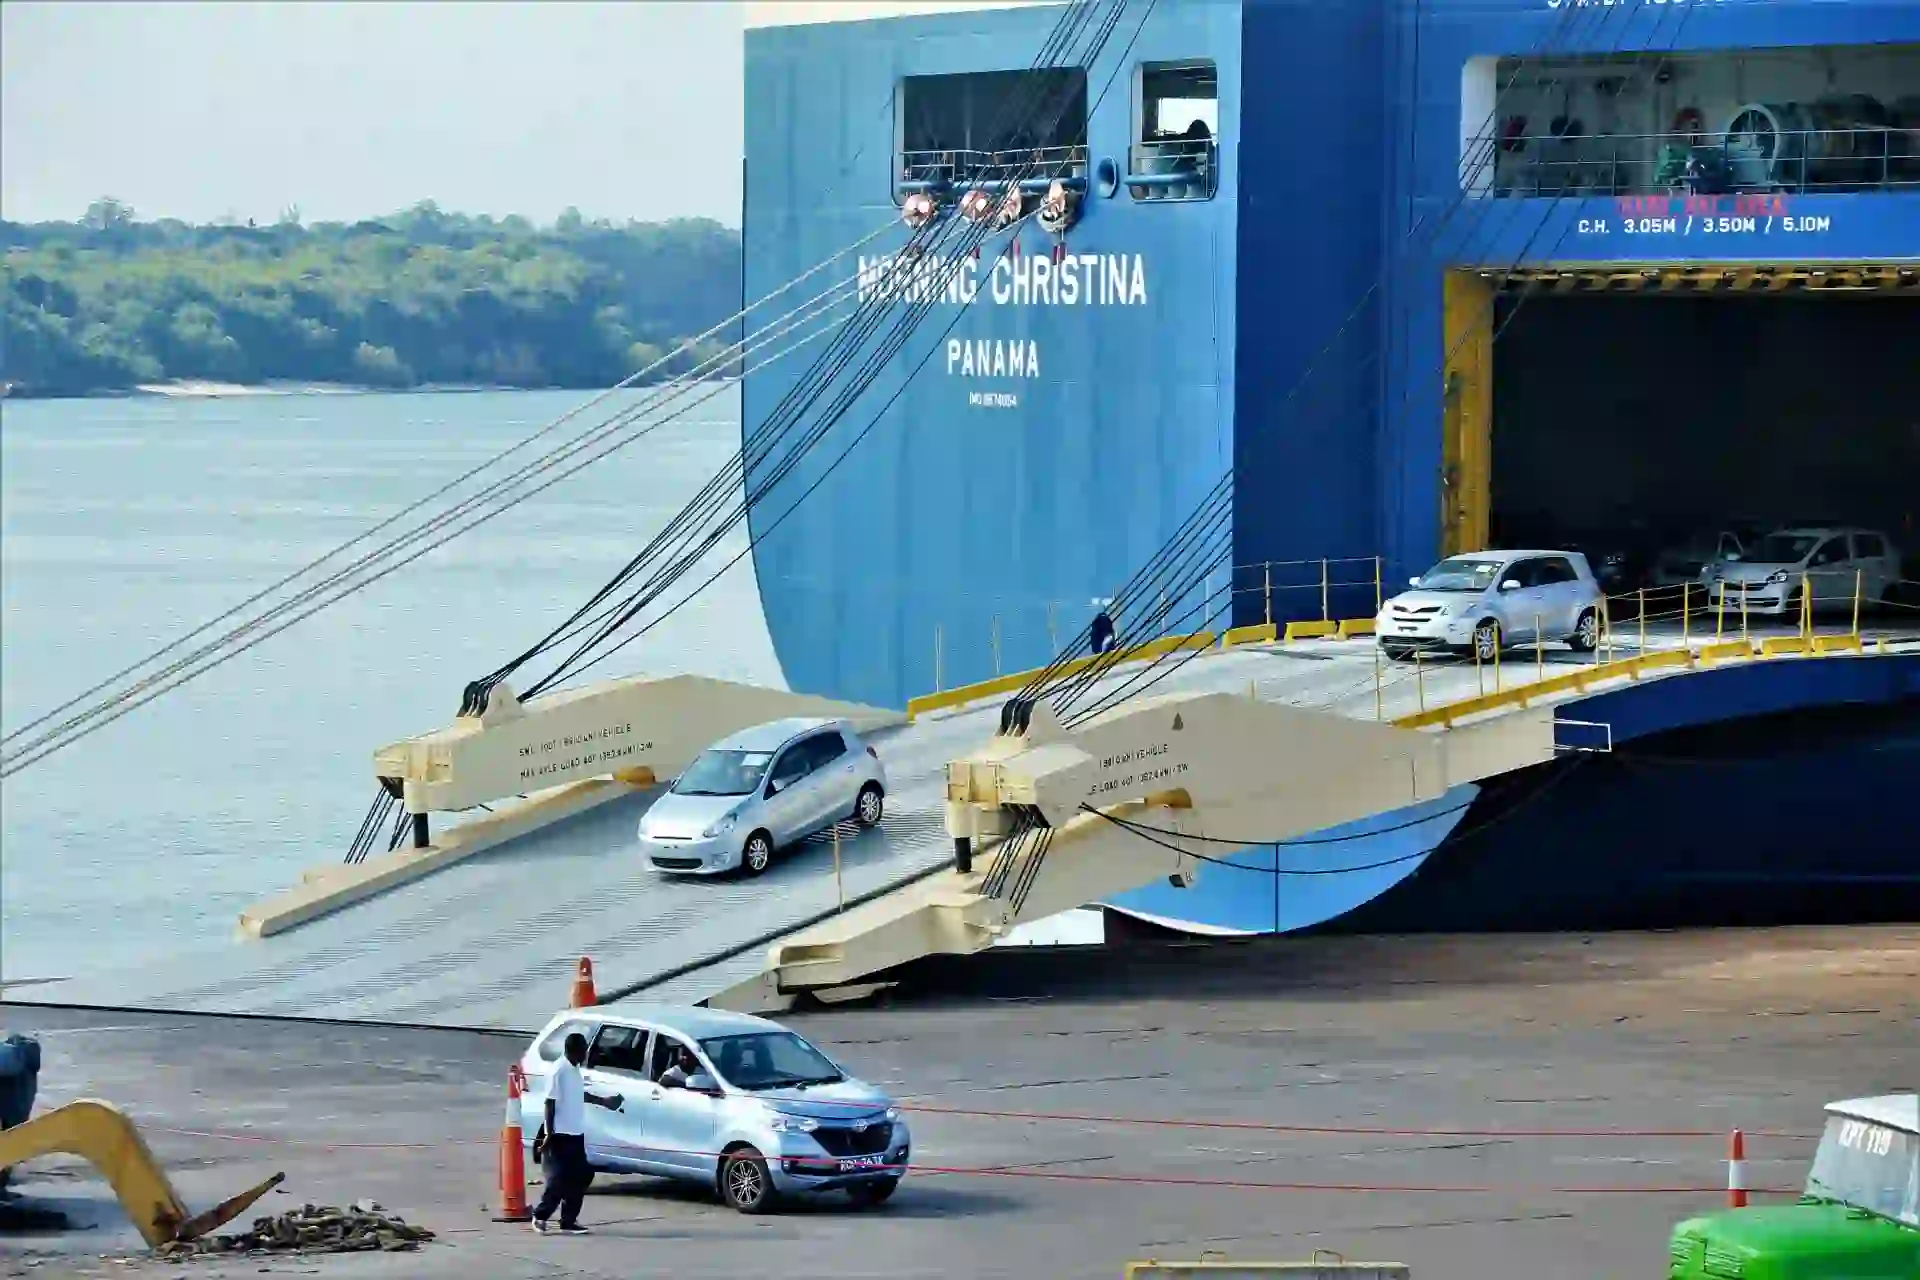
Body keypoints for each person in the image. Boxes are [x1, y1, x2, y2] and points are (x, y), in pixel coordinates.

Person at [531, 1032, 618, 1235]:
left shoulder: (574, 1070)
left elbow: (580, 1094)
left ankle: (568, 1220)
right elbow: (549, 1102)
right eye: (583, 1050)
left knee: (583, 1175)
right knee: (559, 1179)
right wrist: (549, 1134)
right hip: (560, 1134)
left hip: (576, 1134)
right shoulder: (559, 1070)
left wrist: (604, 1101)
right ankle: (540, 1216)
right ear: (573, 1051)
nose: (586, 1053)